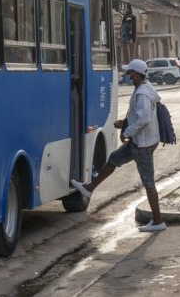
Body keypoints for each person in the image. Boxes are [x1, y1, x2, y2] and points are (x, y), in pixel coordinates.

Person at [70, 59, 166, 232]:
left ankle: (158, 221)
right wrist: (124, 123)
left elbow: (144, 118)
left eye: (131, 73)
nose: (128, 76)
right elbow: (140, 116)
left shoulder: (143, 93)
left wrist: (128, 131)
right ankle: (89, 188)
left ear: (138, 74)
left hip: (142, 144)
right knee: (114, 159)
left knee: (148, 182)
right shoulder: (145, 88)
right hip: (140, 142)